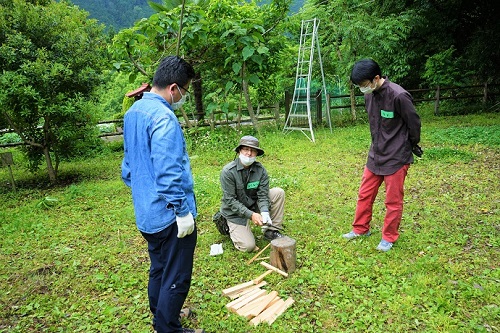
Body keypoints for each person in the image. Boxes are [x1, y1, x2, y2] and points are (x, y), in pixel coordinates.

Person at [121, 56, 204, 333]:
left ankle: (161, 318)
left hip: (146, 214)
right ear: (173, 89)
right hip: (169, 216)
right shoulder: (164, 118)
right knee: (176, 276)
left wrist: (145, 194)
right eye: (185, 91)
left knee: (159, 269)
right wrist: (182, 212)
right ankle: (168, 328)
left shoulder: (133, 112)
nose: (183, 98)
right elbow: (169, 174)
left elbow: (127, 169)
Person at [342, 58, 422, 252]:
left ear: (376, 78)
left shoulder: (399, 96)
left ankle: (389, 237)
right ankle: (360, 229)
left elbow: (414, 125)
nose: (362, 89)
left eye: (364, 85)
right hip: (376, 154)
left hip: (396, 156)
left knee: (392, 200)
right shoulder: (369, 95)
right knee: (365, 193)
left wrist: (407, 146)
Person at [219, 135, 286, 253]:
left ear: (256, 153)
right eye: (246, 149)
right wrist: (251, 215)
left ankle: (271, 230)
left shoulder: (261, 170)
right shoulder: (228, 172)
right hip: (234, 212)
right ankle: (228, 226)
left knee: (278, 193)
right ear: (240, 150)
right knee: (248, 246)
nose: (249, 153)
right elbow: (230, 200)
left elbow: (263, 194)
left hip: (253, 203)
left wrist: (264, 211)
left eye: (253, 150)